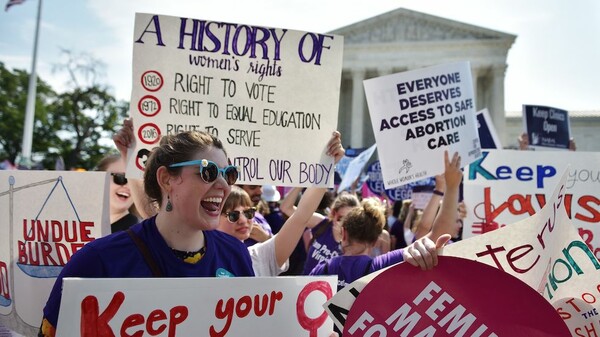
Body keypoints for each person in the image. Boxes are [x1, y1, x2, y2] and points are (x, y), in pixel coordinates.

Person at [39, 131, 254, 337]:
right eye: (209, 172)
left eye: (229, 174)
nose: (224, 185)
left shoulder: (235, 253)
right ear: (166, 179)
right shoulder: (98, 260)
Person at [217, 132, 345, 276]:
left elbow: (301, 217)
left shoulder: (261, 257)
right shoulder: (198, 258)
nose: (243, 220)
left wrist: (327, 165)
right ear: (213, 218)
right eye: (233, 215)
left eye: (248, 213)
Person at [309, 196, 450, 291]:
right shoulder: (382, 266)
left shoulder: (321, 270)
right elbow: (434, 233)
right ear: (376, 241)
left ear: (343, 233)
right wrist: (448, 186)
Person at [281, 188, 360, 275]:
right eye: (340, 218)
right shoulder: (322, 224)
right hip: (305, 285)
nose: (343, 224)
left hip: (329, 288)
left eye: (349, 220)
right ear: (333, 213)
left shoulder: (354, 241)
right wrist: (300, 184)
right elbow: (286, 208)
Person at [95, 154, 140, 232]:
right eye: (120, 177)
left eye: (134, 181)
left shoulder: (139, 236)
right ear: (98, 178)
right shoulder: (72, 222)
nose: (128, 186)